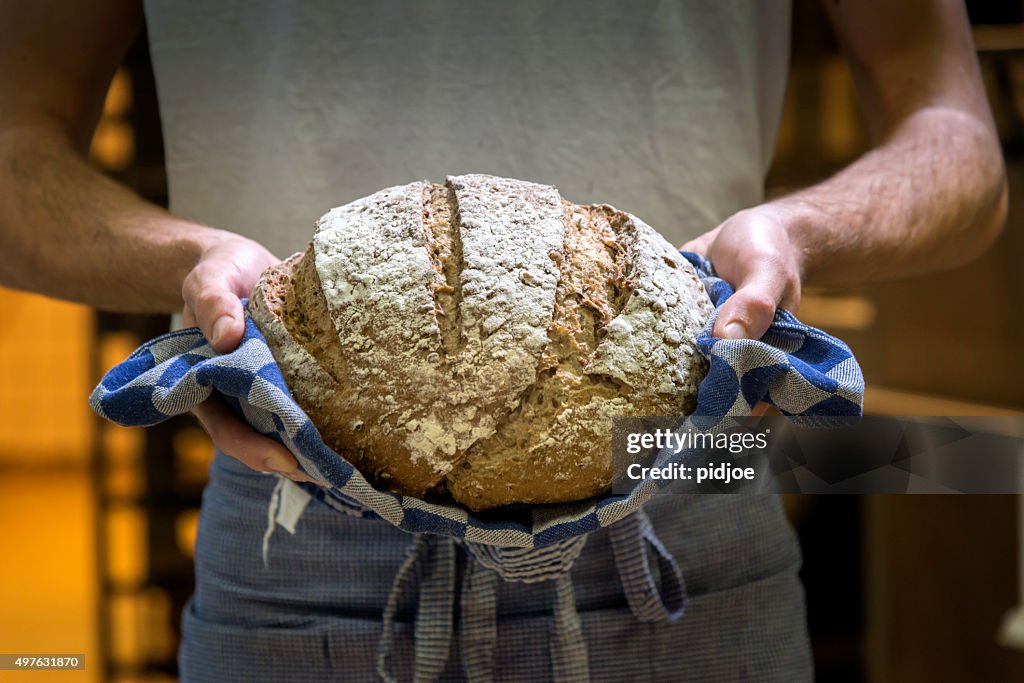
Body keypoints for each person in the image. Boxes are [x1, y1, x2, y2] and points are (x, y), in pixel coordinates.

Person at [0, 1, 1006, 680]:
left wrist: (797, 231)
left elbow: (960, 151)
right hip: (294, 509)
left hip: (692, 470)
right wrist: (193, 257)